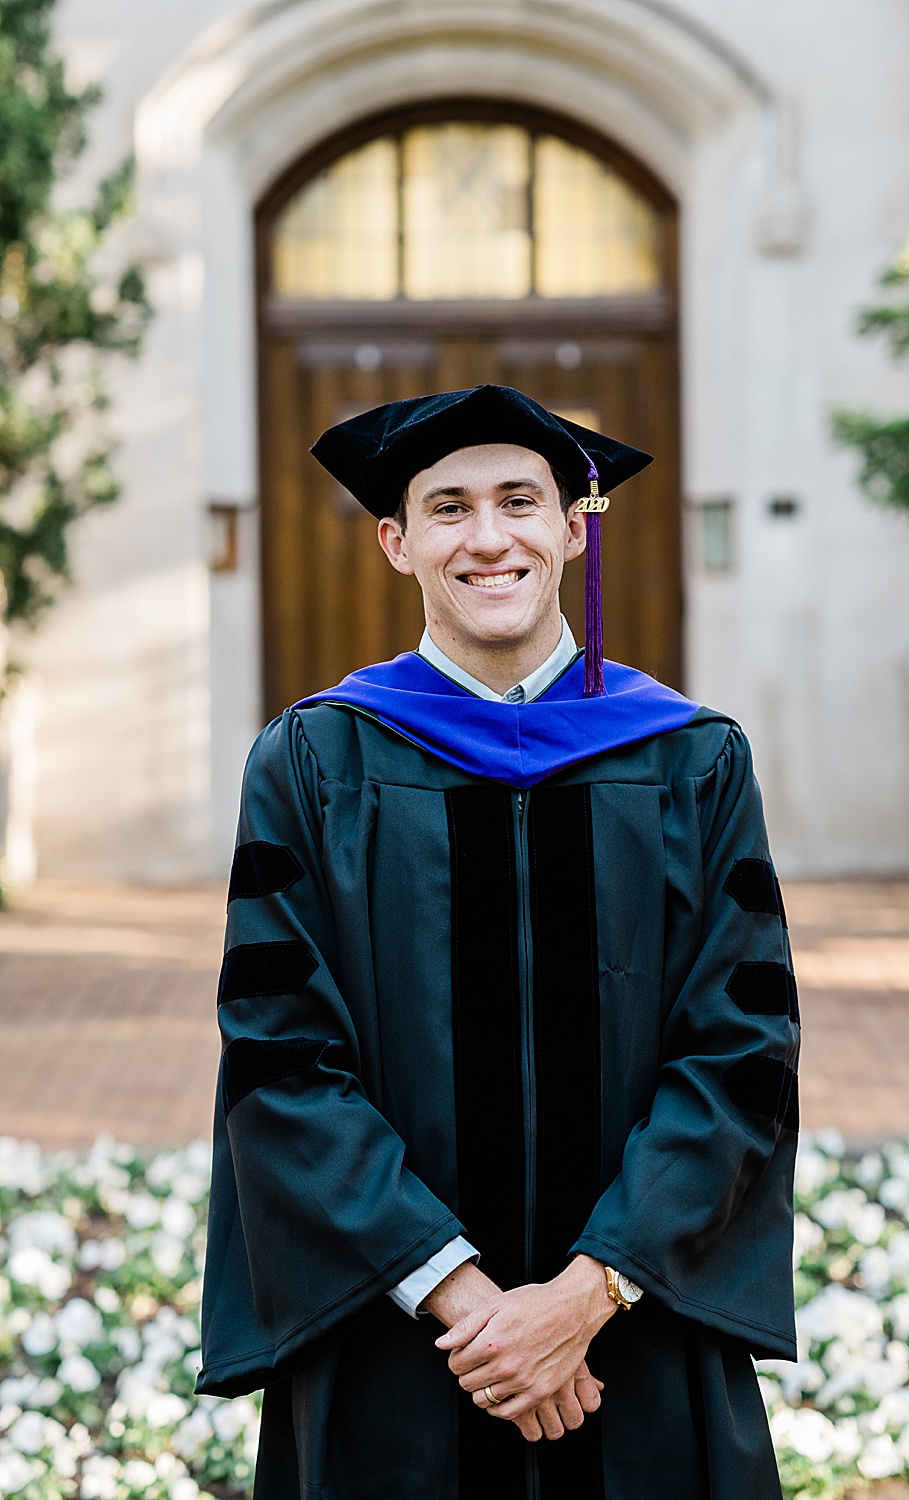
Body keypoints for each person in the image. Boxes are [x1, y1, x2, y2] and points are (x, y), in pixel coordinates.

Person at [197, 385, 799, 1500]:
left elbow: (741, 1053)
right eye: (448, 508)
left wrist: (582, 1298)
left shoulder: (691, 761)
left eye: (521, 501)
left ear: (574, 528)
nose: (488, 538)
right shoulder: (314, 763)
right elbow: (280, 1061)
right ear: (397, 541)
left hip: (635, 1339)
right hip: (403, 1344)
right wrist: (475, 1313)